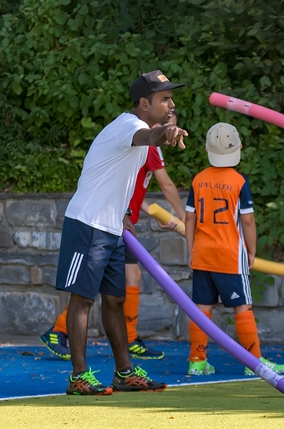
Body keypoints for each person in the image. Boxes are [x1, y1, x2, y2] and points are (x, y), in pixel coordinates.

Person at [54, 70, 187, 395]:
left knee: (115, 300)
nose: (171, 104)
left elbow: (117, 176)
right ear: (144, 103)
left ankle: (124, 373)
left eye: (171, 98)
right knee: (82, 299)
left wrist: (125, 212)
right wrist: (165, 132)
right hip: (87, 224)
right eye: (164, 99)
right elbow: (148, 137)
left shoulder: (139, 132)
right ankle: (78, 376)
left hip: (112, 227)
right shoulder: (130, 126)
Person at [41, 115, 186, 360]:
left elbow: (132, 188)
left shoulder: (145, 144)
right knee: (92, 286)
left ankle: (126, 344)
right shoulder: (145, 140)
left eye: (172, 119)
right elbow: (167, 185)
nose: (169, 123)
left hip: (120, 220)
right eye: (165, 118)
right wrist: (184, 217)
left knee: (123, 282)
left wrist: (149, 212)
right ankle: (63, 331)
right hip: (106, 221)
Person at [184, 122, 284, 376]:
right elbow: (247, 220)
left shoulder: (198, 180)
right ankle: (254, 362)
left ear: (207, 150)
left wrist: (191, 249)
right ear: (238, 147)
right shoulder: (239, 181)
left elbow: (189, 217)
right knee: (243, 307)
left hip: (202, 254)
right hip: (230, 255)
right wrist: (251, 250)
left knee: (201, 308)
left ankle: (197, 360)